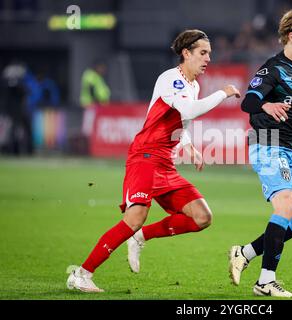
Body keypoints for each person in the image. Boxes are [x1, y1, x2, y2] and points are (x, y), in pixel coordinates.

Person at [67, 29, 241, 292]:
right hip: (145, 156)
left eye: (209, 54)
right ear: (186, 53)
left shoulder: (193, 85)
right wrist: (223, 93)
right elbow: (188, 110)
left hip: (164, 162)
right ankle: (82, 274)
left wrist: (188, 145)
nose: (207, 59)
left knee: (202, 217)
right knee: (135, 217)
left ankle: (141, 237)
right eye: (203, 53)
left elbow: (178, 122)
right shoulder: (173, 79)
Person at [228, 8, 292, 298]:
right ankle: (265, 281)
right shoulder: (272, 69)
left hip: (285, 147)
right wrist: (265, 105)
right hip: (266, 144)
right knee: (285, 206)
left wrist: (291, 143)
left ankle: (245, 252)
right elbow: (248, 102)